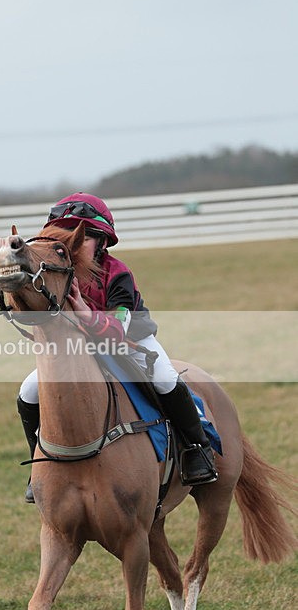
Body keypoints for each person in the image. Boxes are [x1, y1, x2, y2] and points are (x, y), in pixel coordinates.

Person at [17, 192, 218, 503]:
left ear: (102, 242)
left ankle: (197, 448)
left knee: (165, 378)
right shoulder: (57, 272)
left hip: (131, 341)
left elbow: (118, 329)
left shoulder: (117, 272)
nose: (70, 244)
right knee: (28, 391)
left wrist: (85, 312)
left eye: (80, 236)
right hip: (80, 350)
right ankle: (39, 464)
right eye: (62, 236)